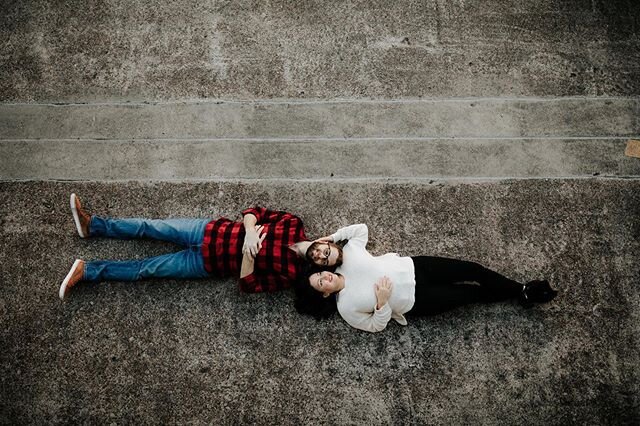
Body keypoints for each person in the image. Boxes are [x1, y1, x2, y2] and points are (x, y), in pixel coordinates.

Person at [59, 194, 343, 300]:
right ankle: (93, 225)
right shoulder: (294, 224)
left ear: (318, 267)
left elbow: (248, 285)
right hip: (207, 229)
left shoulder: (291, 273)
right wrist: (248, 233)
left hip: (204, 265)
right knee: (149, 227)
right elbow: (253, 210)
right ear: (325, 241)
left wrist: (249, 253)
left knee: (147, 269)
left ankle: (89, 271)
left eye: (323, 262)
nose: (320, 256)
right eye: (325, 252)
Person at [295, 224, 557, 332]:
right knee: (471, 294)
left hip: (417, 268)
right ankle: (521, 292)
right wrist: (382, 304)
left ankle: (522, 290)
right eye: (321, 283)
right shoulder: (346, 307)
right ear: (325, 293)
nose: (325, 277)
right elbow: (375, 326)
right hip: (419, 301)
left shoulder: (347, 254)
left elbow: (361, 230)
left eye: (320, 274)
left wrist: (332, 236)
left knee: (473, 270)